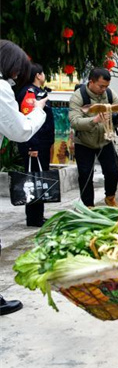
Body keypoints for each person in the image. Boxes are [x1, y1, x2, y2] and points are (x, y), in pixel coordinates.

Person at [0, 40, 48, 316]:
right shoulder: (2, 88)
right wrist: (39, 110)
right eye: (18, 69)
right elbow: (20, 130)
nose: (19, 75)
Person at [68, 68, 118, 207]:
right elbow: (74, 121)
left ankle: (110, 197)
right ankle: (88, 205)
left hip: (105, 139)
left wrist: (115, 120)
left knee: (113, 171)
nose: (104, 89)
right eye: (101, 86)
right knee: (85, 174)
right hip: (84, 142)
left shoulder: (110, 94)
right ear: (91, 82)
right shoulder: (78, 96)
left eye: (106, 86)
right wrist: (95, 120)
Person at [16, 63, 55, 227]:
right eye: (43, 73)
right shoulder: (29, 94)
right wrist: (32, 147)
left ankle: (38, 215)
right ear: (38, 75)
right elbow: (29, 123)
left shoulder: (38, 92)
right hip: (35, 146)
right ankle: (33, 218)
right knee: (34, 180)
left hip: (42, 145)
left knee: (39, 179)